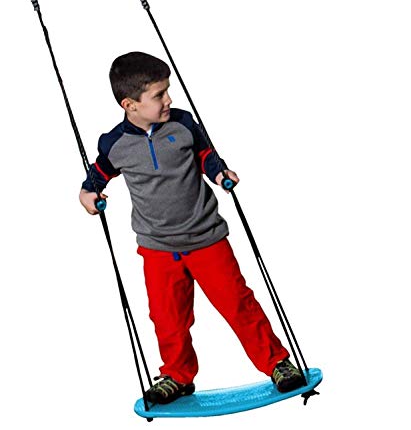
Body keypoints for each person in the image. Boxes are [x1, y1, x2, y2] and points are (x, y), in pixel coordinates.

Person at [80, 51, 304, 404]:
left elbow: (205, 156)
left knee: (238, 304)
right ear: (130, 105)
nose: (168, 100)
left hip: (206, 239)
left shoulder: (182, 124)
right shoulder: (114, 143)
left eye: (168, 91)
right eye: (159, 95)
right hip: (157, 247)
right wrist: (88, 192)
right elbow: (99, 172)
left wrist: (220, 172)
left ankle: (278, 363)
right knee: (167, 318)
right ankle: (177, 375)